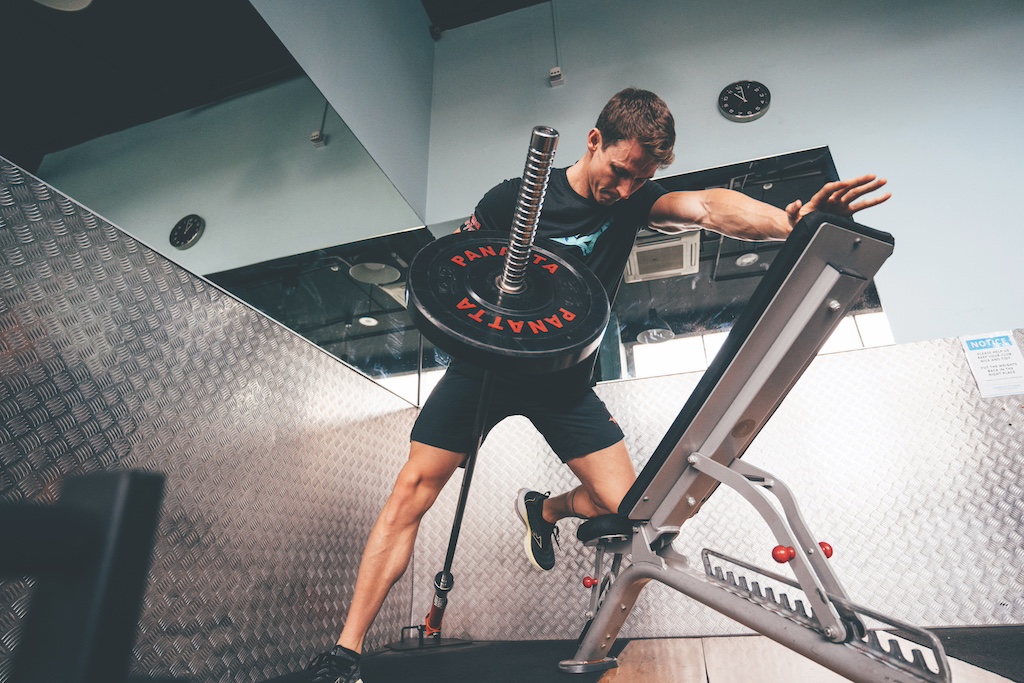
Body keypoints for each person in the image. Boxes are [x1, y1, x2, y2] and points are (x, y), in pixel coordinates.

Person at [307, 87, 890, 683]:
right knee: (411, 490)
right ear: (594, 142)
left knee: (633, 510)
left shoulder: (634, 201)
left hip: (561, 381)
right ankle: (345, 653)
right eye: (620, 171)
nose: (627, 189)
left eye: (643, 177)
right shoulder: (512, 199)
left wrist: (791, 223)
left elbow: (710, 208)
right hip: (484, 368)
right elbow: (456, 274)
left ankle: (547, 507)